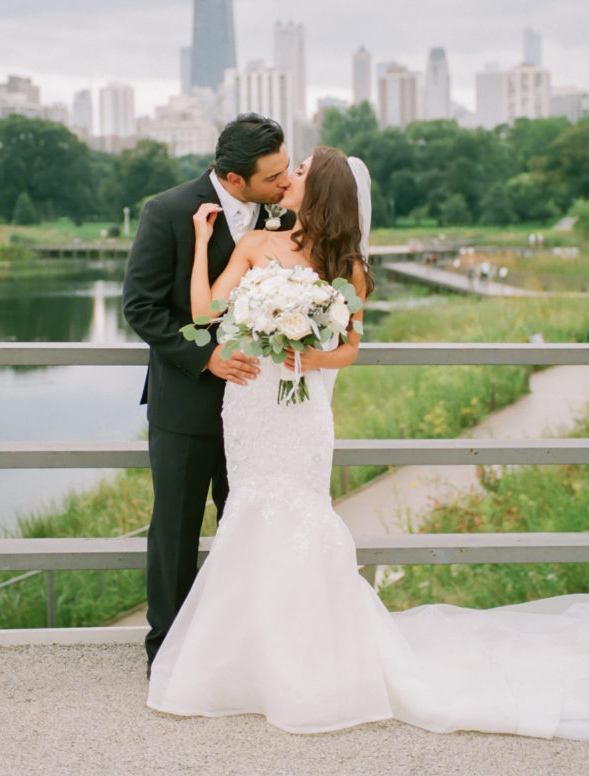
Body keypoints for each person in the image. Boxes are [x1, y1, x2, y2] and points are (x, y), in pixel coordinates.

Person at [147, 146, 589, 740]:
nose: (289, 179)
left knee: (300, 515)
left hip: (301, 414)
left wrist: (307, 352)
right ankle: (247, 661)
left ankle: (310, 658)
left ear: (321, 189)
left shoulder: (347, 267)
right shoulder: (254, 245)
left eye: (299, 172)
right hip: (250, 403)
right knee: (247, 514)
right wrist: (203, 242)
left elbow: (350, 349)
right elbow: (204, 312)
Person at [122, 114, 293, 675]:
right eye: (273, 176)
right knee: (175, 529)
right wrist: (206, 356)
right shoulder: (168, 211)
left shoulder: (286, 214)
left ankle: (243, 648)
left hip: (259, 406)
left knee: (245, 523)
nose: (285, 183)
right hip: (186, 403)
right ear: (236, 180)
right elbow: (141, 307)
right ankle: (168, 654)